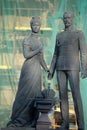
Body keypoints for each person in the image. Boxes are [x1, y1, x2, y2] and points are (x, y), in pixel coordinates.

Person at [48, 12, 87, 130]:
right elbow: (55, 54)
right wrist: (51, 70)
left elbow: (84, 52)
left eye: (69, 18)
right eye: (65, 18)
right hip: (60, 67)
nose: (67, 20)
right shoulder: (59, 36)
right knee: (62, 96)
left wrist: (84, 68)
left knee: (76, 96)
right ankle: (65, 123)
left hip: (73, 67)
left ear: (73, 19)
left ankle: (81, 125)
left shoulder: (78, 34)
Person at [7, 16, 48, 127]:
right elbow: (26, 55)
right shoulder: (27, 39)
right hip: (29, 69)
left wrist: (47, 69)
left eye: (38, 25)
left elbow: (41, 58)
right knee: (24, 93)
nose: (36, 27)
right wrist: (38, 49)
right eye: (34, 25)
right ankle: (19, 118)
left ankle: (32, 120)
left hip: (37, 71)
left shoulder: (40, 40)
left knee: (35, 94)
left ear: (40, 26)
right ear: (31, 26)